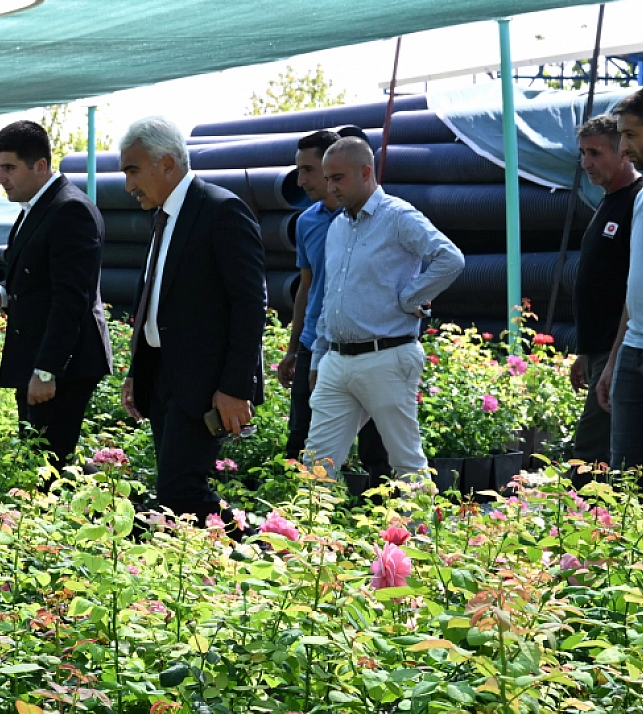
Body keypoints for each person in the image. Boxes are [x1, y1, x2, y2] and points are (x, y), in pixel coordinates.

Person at [119, 116, 267, 521]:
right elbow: (155, 299)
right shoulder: (163, 216)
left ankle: (262, 549)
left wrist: (235, 387)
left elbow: (250, 305)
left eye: (133, 170)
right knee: (175, 494)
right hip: (165, 377)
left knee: (180, 491)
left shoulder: (221, 211)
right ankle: (204, 571)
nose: (129, 185)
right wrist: (138, 371)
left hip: (205, 384)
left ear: (166, 164)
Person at [302, 136, 464, 480]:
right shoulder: (337, 226)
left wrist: (411, 297)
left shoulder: (398, 216)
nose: (330, 188)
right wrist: (319, 357)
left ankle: (418, 533)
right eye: (327, 179)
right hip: (337, 359)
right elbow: (330, 295)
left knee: (406, 462)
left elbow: (450, 259)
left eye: (338, 178)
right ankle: (313, 533)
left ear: (365, 173)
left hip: (387, 355)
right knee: (316, 464)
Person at [0, 120, 111, 471]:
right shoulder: (36, 209)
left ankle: (128, 521)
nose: (1, 178)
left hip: (64, 365)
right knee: (42, 460)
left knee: (50, 464)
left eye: (9, 167)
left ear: (41, 166)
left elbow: (71, 299)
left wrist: (47, 370)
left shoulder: (69, 211)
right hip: (39, 357)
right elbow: (26, 276)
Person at [277, 128, 390, 476]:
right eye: (299, 170)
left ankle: (381, 519)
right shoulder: (307, 222)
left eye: (309, 170)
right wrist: (294, 348)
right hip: (316, 343)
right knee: (301, 435)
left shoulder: (374, 218)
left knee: (376, 443)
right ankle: (296, 516)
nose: (302, 180)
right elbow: (306, 288)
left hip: (366, 345)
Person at [565, 114, 640, 468]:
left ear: (623, 152)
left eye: (595, 153)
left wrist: (612, 359)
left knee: (591, 451)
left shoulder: (634, 202)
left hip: (621, 349)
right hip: (601, 351)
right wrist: (585, 351)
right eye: (582, 154)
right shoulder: (607, 202)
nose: (586, 164)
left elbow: (632, 291)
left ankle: (585, 519)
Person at [595, 92, 643, 471]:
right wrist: (615, 360)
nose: (624, 148)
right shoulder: (641, 198)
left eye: (631, 135)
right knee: (625, 479)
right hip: (634, 349)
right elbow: (634, 286)